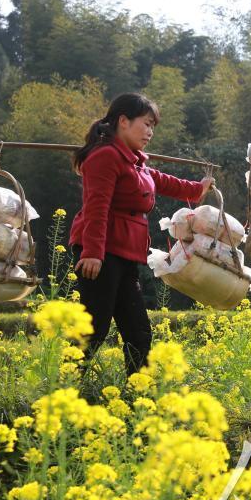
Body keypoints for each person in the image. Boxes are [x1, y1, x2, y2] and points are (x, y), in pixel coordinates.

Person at [69, 93, 213, 376]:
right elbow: (96, 207)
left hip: (125, 255)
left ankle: (138, 395)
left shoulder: (135, 162)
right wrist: (93, 253)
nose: (150, 132)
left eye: (152, 127)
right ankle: (63, 387)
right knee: (93, 328)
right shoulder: (105, 156)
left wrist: (198, 188)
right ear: (123, 121)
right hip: (102, 254)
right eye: (146, 124)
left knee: (138, 332)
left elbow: (166, 182)